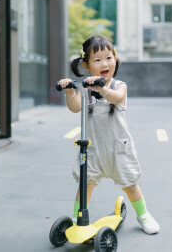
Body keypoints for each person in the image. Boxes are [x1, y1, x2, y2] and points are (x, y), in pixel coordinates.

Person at [58, 35, 160, 234]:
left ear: (115, 59)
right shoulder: (86, 89)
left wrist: (102, 88)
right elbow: (75, 107)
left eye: (108, 58)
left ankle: (144, 214)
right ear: (86, 65)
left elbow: (117, 98)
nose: (104, 63)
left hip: (118, 148)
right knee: (85, 184)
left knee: (130, 184)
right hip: (93, 148)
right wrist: (70, 92)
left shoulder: (118, 86)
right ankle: (78, 216)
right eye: (97, 60)